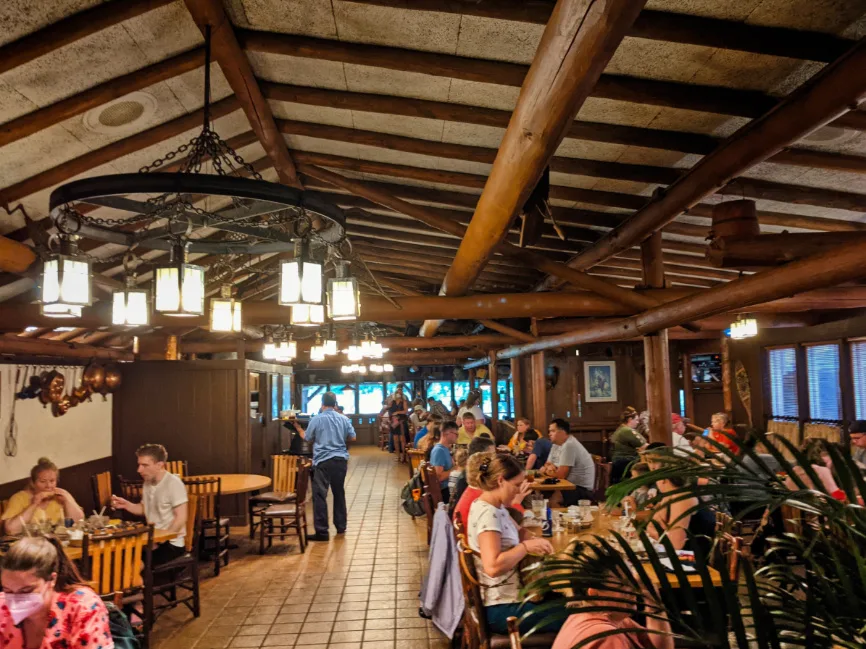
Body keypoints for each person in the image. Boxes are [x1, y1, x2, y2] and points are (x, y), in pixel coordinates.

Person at [465, 452, 556, 635]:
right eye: (516, 485)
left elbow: (519, 531)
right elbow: (493, 566)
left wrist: (529, 537)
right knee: (580, 613)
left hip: (511, 596)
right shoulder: (489, 515)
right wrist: (525, 547)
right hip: (503, 608)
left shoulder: (493, 506)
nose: (518, 491)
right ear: (500, 480)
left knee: (572, 599)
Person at [0, 536, 114, 649]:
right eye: (8, 591)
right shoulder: (2, 607)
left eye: (26, 590)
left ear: (52, 580)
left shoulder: (82, 606)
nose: (15, 600)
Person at [552, 562, 673, 649]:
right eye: (622, 585)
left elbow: (658, 646)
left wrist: (653, 602)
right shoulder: (606, 636)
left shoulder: (584, 615)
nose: (634, 590)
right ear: (595, 594)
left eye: (632, 582)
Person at [292, 391, 355, 542]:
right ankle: (341, 526)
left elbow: (307, 438)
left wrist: (298, 428)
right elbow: (353, 437)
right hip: (340, 460)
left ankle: (322, 532)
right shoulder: (344, 419)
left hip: (323, 462)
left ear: (322, 404)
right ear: (335, 404)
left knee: (320, 495)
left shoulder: (316, 419)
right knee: (338, 492)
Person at [111, 444, 189, 566]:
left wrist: (161, 539)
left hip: (171, 545)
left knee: (131, 567)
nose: (139, 470)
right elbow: (144, 509)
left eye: (145, 465)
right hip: (152, 541)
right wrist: (126, 505)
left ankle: (140, 584)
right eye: (139, 464)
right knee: (118, 559)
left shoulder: (173, 484)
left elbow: (181, 518)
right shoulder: (147, 482)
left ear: (160, 465)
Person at [1, 458, 85, 535]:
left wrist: (67, 501)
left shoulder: (62, 495)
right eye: (42, 481)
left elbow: (79, 522)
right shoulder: (19, 498)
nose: (48, 486)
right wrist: (34, 504)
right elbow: (11, 530)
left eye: (52, 481)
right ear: (33, 483)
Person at [646, 470, 715, 556]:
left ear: (663, 479)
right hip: (680, 553)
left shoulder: (683, 498)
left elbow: (676, 544)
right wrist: (664, 533)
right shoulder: (668, 496)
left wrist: (662, 533)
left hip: (697, 558)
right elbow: (651, 527)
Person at [542, 418, 596, 505]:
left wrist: (548, 471)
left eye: (552, 431)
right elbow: (547, 464)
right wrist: (550, 468)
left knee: (551, 502)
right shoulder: (558, 445)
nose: (549, 434)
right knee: (543, 495)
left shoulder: (569, 445)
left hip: (581, 489)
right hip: (569, 486)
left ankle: (559, 517)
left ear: (562, 432)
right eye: (549, 431)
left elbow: (561, 475)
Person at [452, 436, 497, 518]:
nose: (494, 457)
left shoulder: (474, 470)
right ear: (482, 456)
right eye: (492, 454)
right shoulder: (472, 477)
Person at [611, 407, 646, 483]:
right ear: (630, 419)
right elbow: (644, 446)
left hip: (618, 464)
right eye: (636, 420)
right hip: (626, 463)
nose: (637, 422)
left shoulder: (620, 429)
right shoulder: (627, 430)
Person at [430, 421, 459, 504]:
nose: (457, 437)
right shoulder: (439, 451)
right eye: (456, 434)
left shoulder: (445, 449)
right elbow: (439, 477)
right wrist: (456, 468)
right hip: (445, 491)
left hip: (449, 487)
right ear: (446, 433)